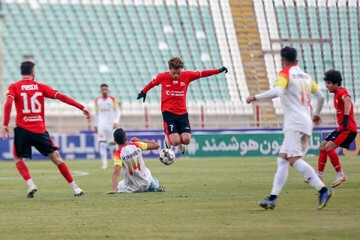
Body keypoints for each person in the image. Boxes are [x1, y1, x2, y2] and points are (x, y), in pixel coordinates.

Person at [246, 46, 332, 210]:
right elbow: (320, 96)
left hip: (294, 123)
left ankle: (322, 190)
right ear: (297, 60)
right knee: (283, 158)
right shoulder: (306, 76)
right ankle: (272, 198)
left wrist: (254, 97)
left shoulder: (285, 73)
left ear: (283, 61)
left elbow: (277, 91)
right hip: (306, 121)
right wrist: (316, 114)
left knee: (294, 160)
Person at [2, 61, 90, 198]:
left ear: (21, 72)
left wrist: (5, 124)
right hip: (39, 129)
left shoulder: (14, 87)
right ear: (33, 72)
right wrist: (81, 107)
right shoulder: (40, 87)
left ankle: (30, 184)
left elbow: (8, 103)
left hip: (22, 129)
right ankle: (75, 188)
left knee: (18, 157)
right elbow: (61, 97)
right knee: (57, 159)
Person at [136, 57, 228, 154]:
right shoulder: (162, 77)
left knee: (187, 140)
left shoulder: (187, 75)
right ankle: (168, 137)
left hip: (182, 113)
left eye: (178, 73)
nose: (176, 75)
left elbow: (202, 74)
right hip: (168, 113)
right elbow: (152, 83)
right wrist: (144, 92)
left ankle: (181, 142)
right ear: (169, 70)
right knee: (175, 142)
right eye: (174, 73)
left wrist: (218, 71)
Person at [317, 70, 357, 187]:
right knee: (323, 146)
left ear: (336, 83)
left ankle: (340, 174)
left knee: (329, 147)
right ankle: (319, 175)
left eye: (329, 83)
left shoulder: (341, 91)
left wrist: (345, 117)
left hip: (347, 129)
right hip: (341, 128)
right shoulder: (336, 95)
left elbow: (348, 100)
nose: (327, 85)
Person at [105, 128, 164, 193]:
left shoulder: (118, 154)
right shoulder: (136, 145)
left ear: (115, 141)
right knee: (149, 177)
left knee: (119, 186)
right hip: (147, 179)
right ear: (126, 138)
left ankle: (148, 187)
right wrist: (139, 140)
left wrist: (114, 190)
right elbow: (157, 145)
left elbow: (116, 172)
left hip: (134, 187)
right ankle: (152, 184)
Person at [94, 83, 121, 169]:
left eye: (106, 89)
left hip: (111, 125)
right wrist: (95, 125)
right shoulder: (97, 101)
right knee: (102, 144)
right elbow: (96, 113)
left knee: (113, 143)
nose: (104, 91)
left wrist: (116, 121)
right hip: (101, 125)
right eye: (103, 90)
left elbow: (117, 111)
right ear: (101, 91)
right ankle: (104, 163)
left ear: (108, 90)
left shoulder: (112, 99)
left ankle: (116, 160)